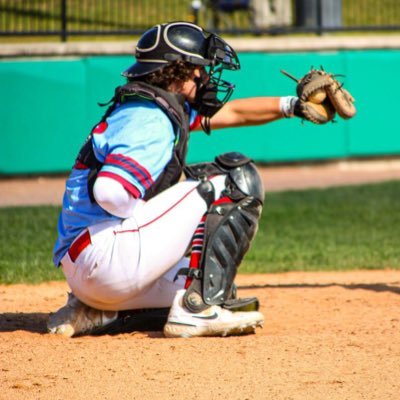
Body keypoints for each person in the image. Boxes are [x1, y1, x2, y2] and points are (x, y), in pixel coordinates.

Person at [47, 21, 302, 338]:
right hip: (106, 259)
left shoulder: (149, 106)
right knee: (233, 178)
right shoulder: (151, 119)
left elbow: (233, 113)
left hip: (90, 268)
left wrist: (293, 105)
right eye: (199, 70)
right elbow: (110, 192)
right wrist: (147, 207)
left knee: (215, 284)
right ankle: (195, 311)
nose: (205, 77)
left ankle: (99, 311)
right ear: (178, 70)